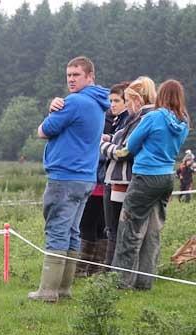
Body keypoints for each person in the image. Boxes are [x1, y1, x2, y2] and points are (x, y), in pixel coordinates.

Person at [28, 56, 110, 302]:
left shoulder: (74, 102)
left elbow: (43, 131)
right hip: (86, 177)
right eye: (68, 76)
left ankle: (48, 290)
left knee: (56, 229)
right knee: (72, 231)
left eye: (76, 75)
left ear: (89, 76)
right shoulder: (98, 103)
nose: (71, 80)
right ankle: (64, 288)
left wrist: (52, 109)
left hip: (65, 176)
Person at [113, 79, 190, 289]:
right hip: (167, 178)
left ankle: (120, 282)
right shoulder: (184, 121)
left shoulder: (153, 117)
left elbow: (131, 144)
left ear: (161, 96)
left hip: (145, 175)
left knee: (129, 227)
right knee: (153, 231)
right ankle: (145, 282)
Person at [100, 77, 157, 266]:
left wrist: (102, 145)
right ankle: (136, 274)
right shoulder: (152, 117)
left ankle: (115, 273)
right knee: (138, 231)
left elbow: (125, 150)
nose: (123, 104)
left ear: (137, 100)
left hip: (124, 179)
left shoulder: (142, 119)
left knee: (119, 230)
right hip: (143, 178)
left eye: (126, 100)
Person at [76, 82, 130, 277]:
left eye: (116, 100)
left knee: (90, 225)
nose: (112, 104)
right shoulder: (112, 119)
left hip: (101, 179)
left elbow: (112, 151)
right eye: (110, 101)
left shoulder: (123, 122)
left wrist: (101, 146)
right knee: (99, 226)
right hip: (101, 177)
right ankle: (95, 267)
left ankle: (86, 267)